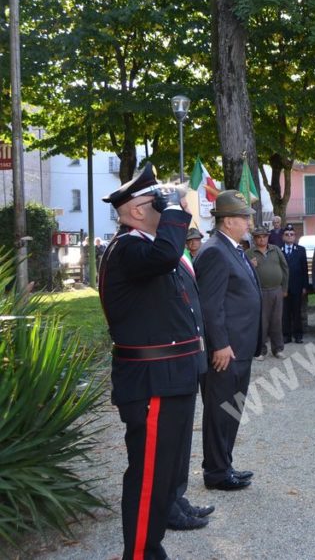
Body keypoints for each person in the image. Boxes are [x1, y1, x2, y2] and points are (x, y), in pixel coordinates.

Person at [98, 163, 211, 558]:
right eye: (156, 200)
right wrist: (178, 209)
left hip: (168, 376)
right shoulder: (128, 247)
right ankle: (142, 554)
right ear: (135, 211)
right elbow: (166, 253)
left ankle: (150, 547)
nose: (167, 205)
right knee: (148, 476)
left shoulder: (143, 248)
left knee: (162, 472)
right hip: (151, 381)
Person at [194, 190, 262, 492]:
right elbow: (210, 305)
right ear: (229, 221)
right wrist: (219, 344)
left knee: (231, 409)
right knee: (220, 409)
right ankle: (216, 472)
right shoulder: (214, 251)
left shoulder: (232, 248)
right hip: (226, 350)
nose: (249, 222)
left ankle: (224, 465)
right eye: (244, 217)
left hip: (240, 346)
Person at [247, 225, 289, 359]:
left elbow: (285, 268)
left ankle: (278, 349)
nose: (261, 239)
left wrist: (284, 288)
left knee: (277, 320)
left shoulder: (275, 250)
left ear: (268, 237)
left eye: (264, 237)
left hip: (277, 290)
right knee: (262, 322)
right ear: (254, 239)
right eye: (258, 237)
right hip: (259, 291)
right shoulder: (248, 253)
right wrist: (250, 266)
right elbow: (243, 273)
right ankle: (261, 350)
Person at [280, 224, 308, 343]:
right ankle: (286, 335)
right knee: (285, 312)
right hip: (284, 287)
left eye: (292, 234)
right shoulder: (278, 250)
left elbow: (304, 269)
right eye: (287, 234)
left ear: (295, 236)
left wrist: (305, 286)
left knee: (297, 312)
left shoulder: (301, 250)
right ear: (283, 237)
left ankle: (298, 335)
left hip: (297, 286)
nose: (289, 236)